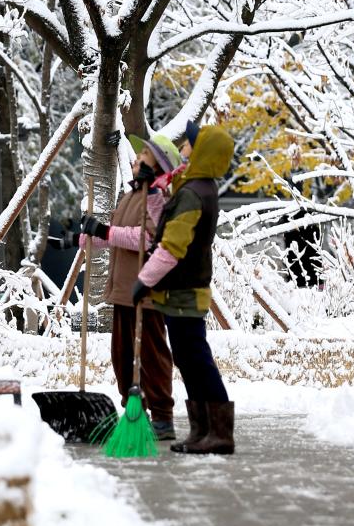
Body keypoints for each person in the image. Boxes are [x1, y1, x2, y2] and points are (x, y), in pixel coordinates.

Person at [131, 121, 236, 455]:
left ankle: (217, 433)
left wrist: (144, 280)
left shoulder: (194, 192)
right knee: (189, 361)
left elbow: (172, 246)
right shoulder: (194, 187)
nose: (185, 148)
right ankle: (202, 431)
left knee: (196, 361)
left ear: (202, 151)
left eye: (190, 143)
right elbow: (166, 224)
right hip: (183, 290)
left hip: (186, 290)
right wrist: (152, 193)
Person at [75, 134, 181, 440]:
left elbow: (147, 238)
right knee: (121, 355)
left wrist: (106, 230)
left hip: (145, 291)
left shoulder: (158, 198)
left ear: (157, 165)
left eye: (144, 155)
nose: (135, 159)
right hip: (122, 289)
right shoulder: (130, 195)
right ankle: (135, 410)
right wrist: (84, 236)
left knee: (151, 354)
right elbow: (113, 236)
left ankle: (162, 415)